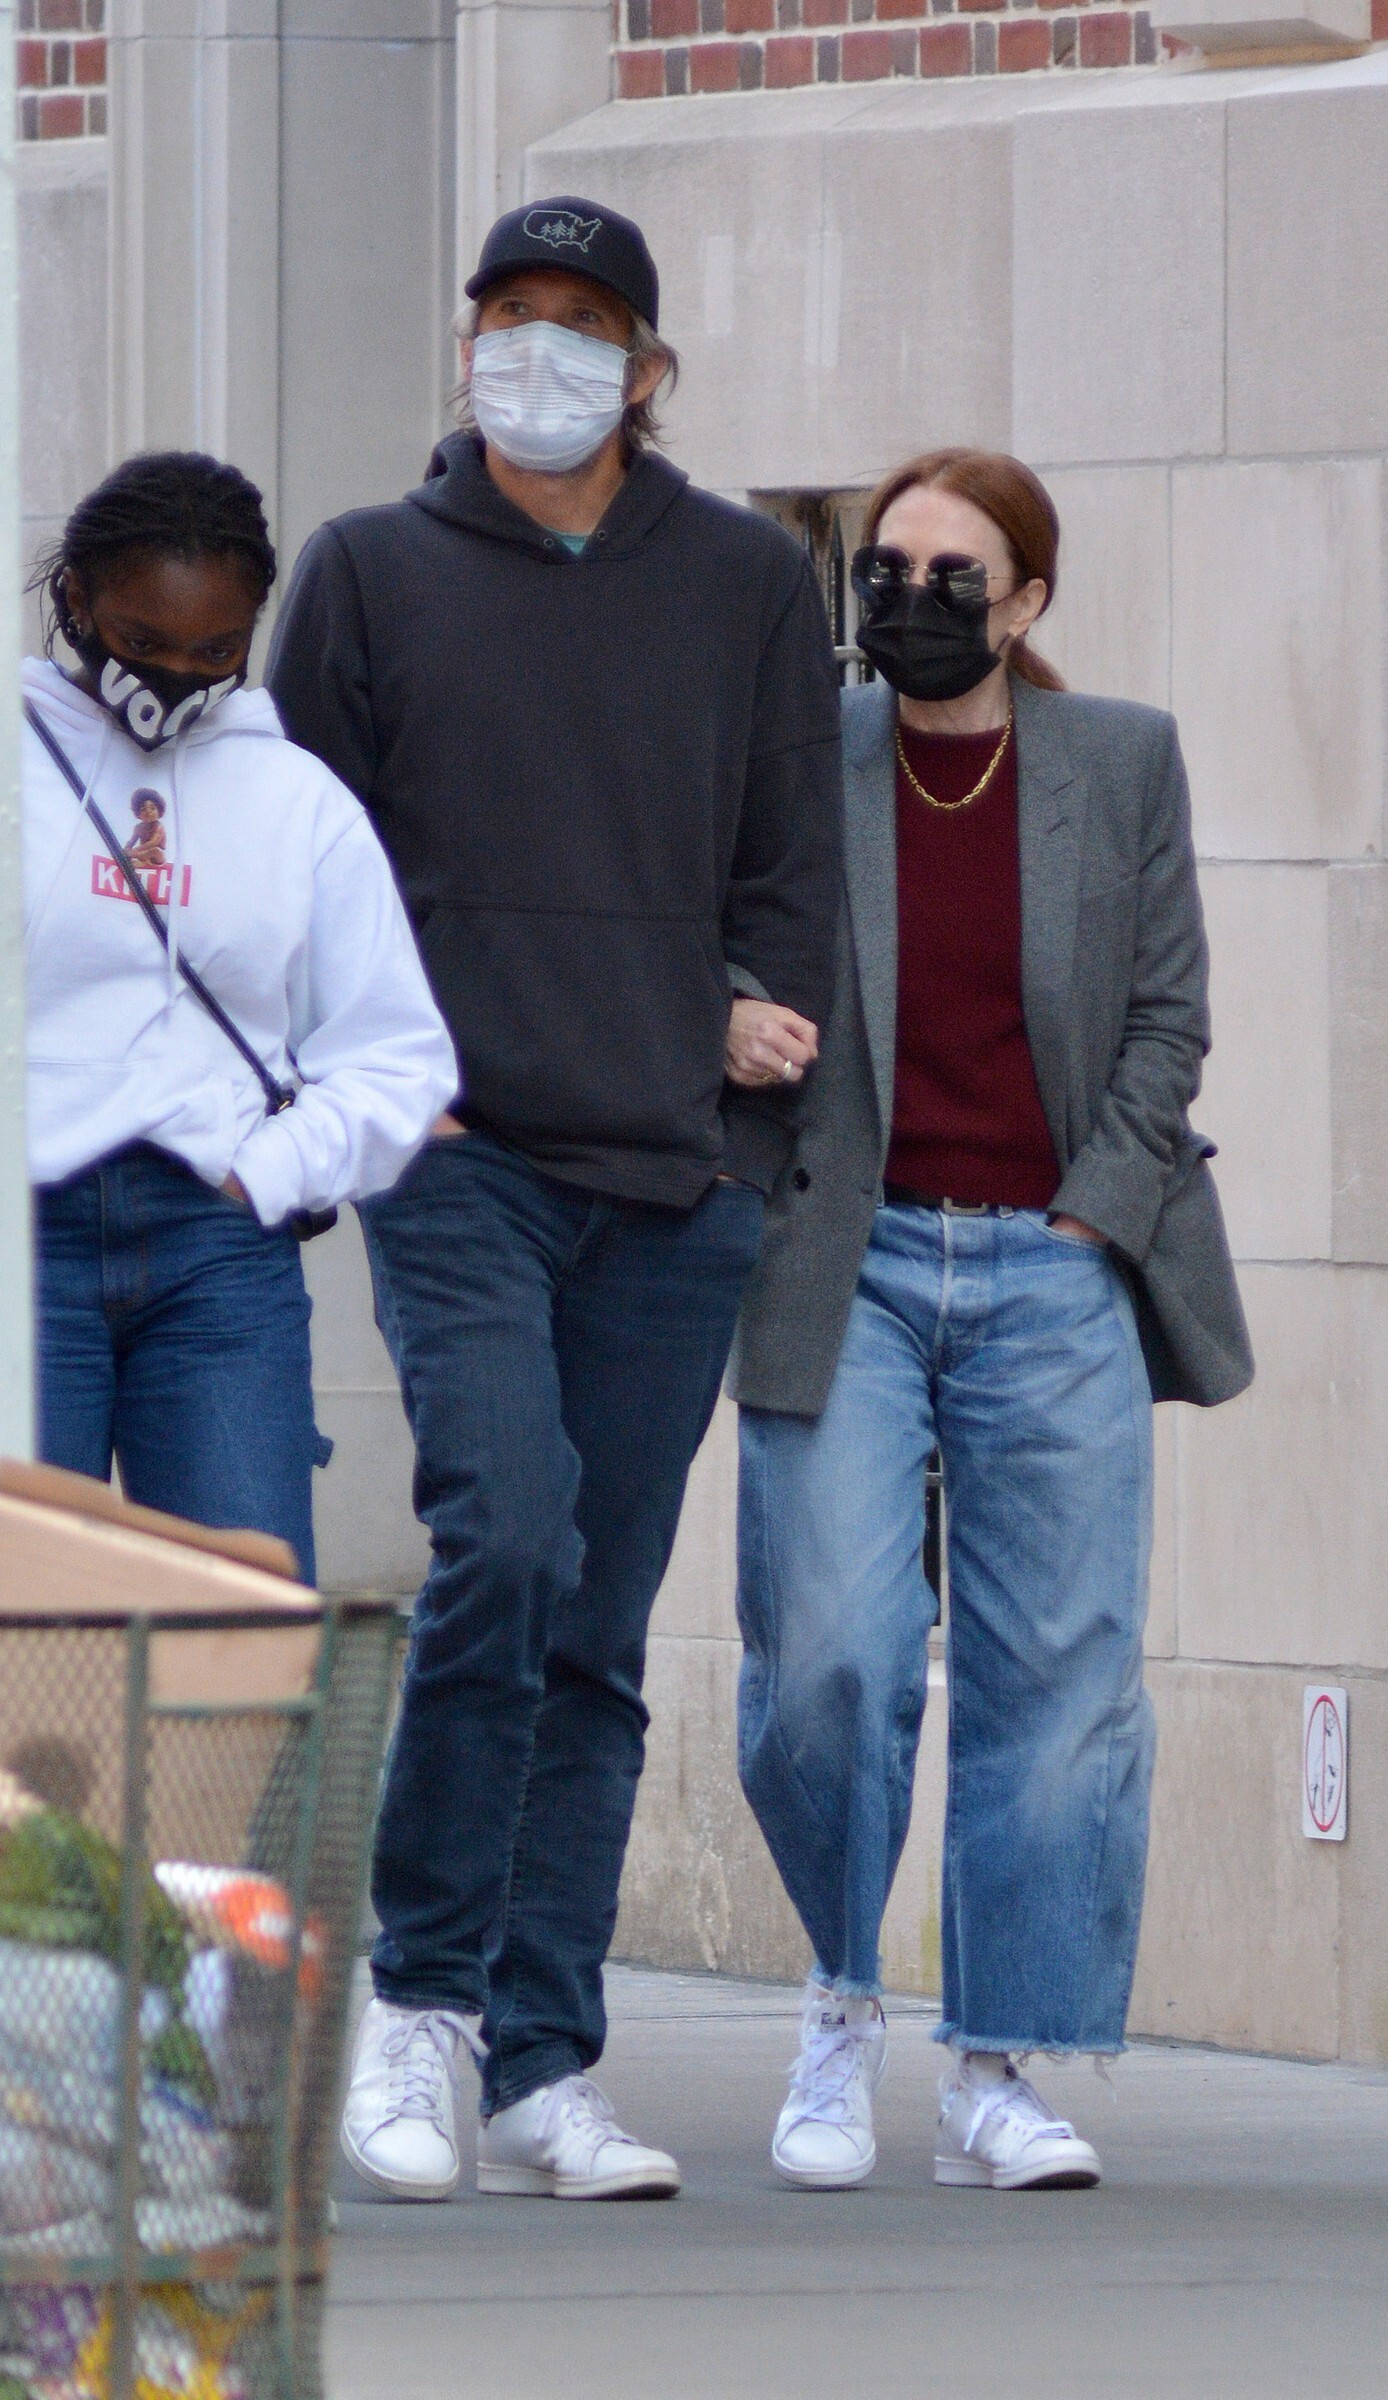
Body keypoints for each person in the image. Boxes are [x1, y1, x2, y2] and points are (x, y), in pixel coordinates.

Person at [267, 196, 842, 2202]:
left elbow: (791, 873)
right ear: (465, 348)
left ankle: (542, 2060)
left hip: (673, 1185)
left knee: (592, 1625)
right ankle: (419, 2007)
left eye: (581, 323)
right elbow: (301, 867)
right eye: (509, 315)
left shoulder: (747, 583)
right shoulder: (367, 573)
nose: (540, 351)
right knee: (502, 1544)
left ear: (646, 368)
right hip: (463, 1166)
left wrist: (739, 1113)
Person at [730, 449, 1253, 2193]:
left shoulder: (1118, 760)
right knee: (831, 1653)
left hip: (1052, 1264)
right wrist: (728, 1012)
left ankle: (996, 2069)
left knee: (1060, 1675)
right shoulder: (806, 753)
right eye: (886, 569)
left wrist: (1093, 1211)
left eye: (954, 575)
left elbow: (1168, 1019)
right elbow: (707, 927)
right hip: (849, 1257)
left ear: (1025, 601)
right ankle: (837, 1995)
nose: (911, 599)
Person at [24, 450, 459, 1587]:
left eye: (215, 651)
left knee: (243, 1631)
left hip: (214, 1253)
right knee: (23, 1628)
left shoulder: (296, 798)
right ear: (75, 599)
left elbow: (397, 1057)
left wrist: (267, 1171)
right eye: (143, 640)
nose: (175, 676)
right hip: (24, 1239)